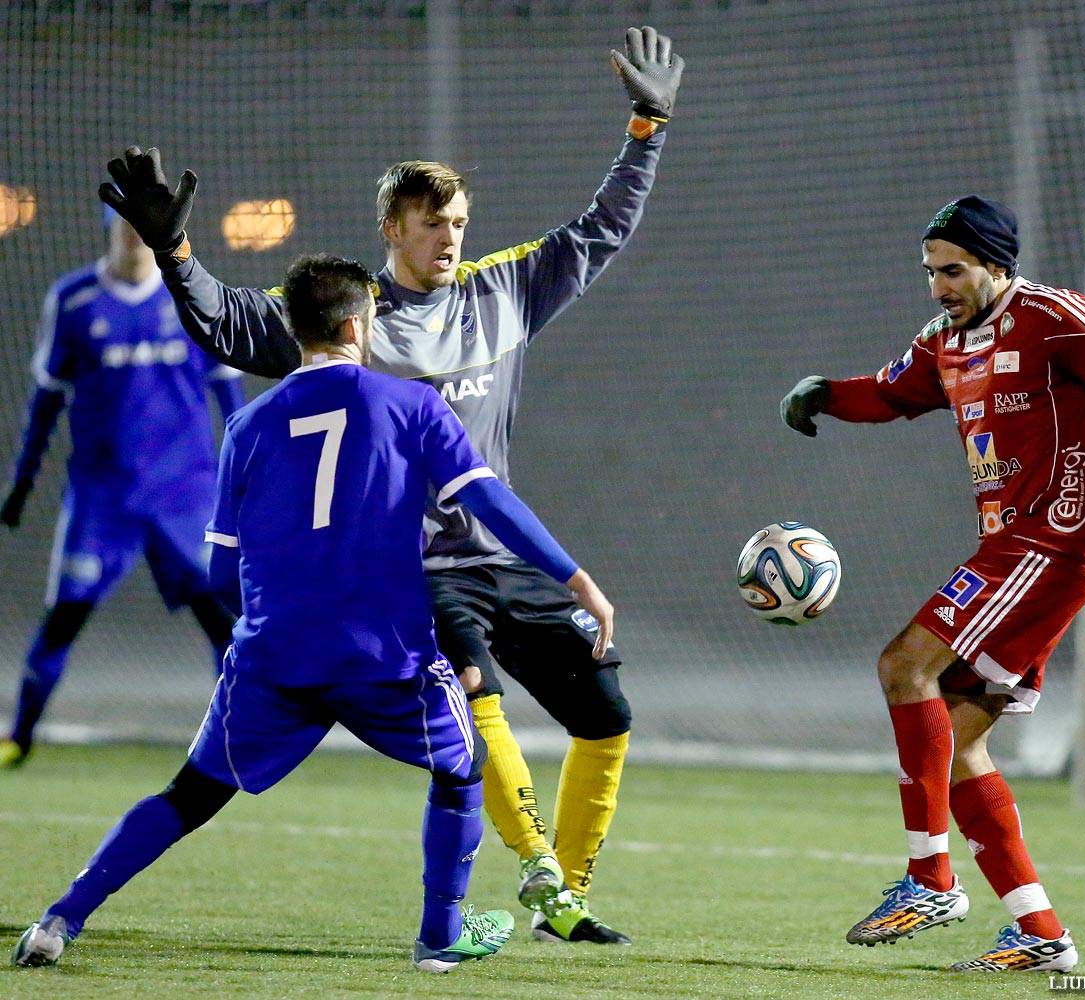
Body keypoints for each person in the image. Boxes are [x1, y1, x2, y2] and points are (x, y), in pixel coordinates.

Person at [94, 25, 681, 946]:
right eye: (428, 223)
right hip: (417, 573)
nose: (447, 237)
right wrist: (175, 256)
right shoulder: (347, 317)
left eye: (456, 222)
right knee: (475, 703)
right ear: (391, 230)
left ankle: (557, 889)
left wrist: (646, 126)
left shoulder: (504, 291)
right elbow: (224, 322)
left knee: (605, 718)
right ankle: (526, 884)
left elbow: (601, 228)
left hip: (500, 553)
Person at [12, 253, 617, 973]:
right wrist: (574, 576)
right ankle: (438, 935)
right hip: (386, 656)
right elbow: (489, 502)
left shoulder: (249, 423)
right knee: (463, 767)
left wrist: (272, 627)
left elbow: (219, 572)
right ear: (359, 324)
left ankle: (58, 920)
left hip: (277, 657)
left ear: (294, 327)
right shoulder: (412, 405)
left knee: (190, 794)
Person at [780, 196, 1085, 973]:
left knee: (903, 667)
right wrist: (825, 393)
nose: (937, 287)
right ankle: (1039, 934)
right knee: (955, 745)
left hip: (1055, 537)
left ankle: (928, 879)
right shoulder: (945, 340)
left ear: (996, 264)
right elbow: (889, 395)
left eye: (953, 270)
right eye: (930, 272)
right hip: (1012, 545)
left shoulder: (1054, 317)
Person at [0, 208, 244, 769]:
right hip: (102, 498)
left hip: (186, 498)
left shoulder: (192, 298)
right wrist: (22, 481)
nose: (137, 236)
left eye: (146, 225)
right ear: (109, 226)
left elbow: (231, 402)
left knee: (227, 626)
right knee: (64, 616)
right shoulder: (73, 300)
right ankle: (20, 736)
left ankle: (234, 741)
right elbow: (46, 400)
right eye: (127, 225)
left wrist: (246, 479)